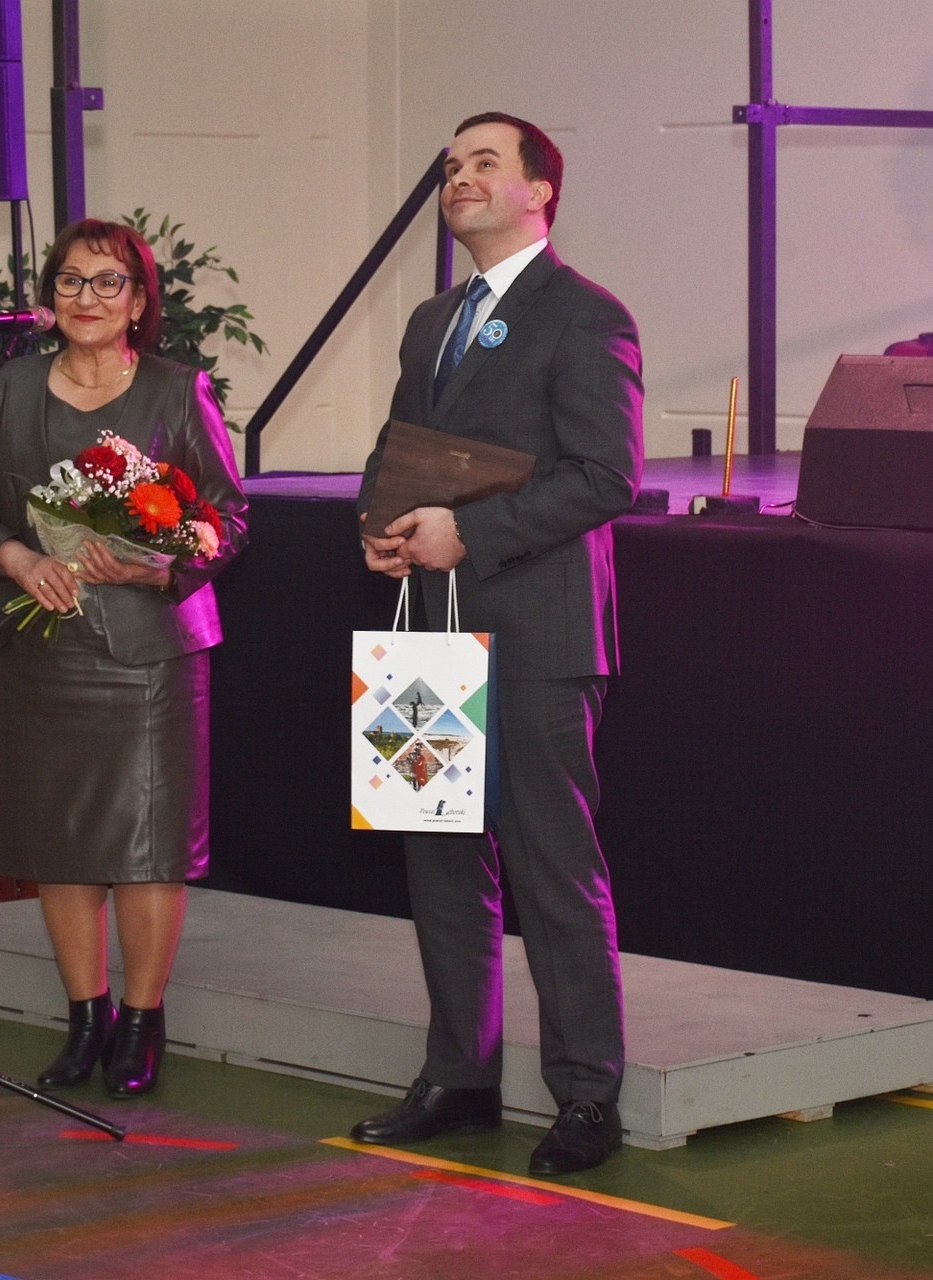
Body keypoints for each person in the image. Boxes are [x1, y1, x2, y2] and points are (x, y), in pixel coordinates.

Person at [353, 112, 644, 1176]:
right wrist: (379, 528)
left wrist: (469, 533)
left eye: (486, 162)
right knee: (438, 860)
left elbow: (608, 476)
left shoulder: (587, 314)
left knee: (551, 866)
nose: (461, 178)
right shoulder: (432, 319)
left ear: (539, 191)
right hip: (428, 630)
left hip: (538, 633)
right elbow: (399, 448)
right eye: (451, 166)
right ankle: (460, 1076)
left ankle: (587, 1095)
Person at [0, 217, 247, 1098]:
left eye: (108, 282)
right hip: (38, 650)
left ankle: (143, 1024)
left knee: (146, 849)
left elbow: (229, 518)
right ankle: (86, 1019)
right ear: (50, 296)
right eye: (71, 281)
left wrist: (159, 565)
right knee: (60, 842)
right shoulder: (7, 389)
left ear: (139, 301)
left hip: (148, 658)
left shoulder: (177, 392)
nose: (87, 297)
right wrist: (17, 558)